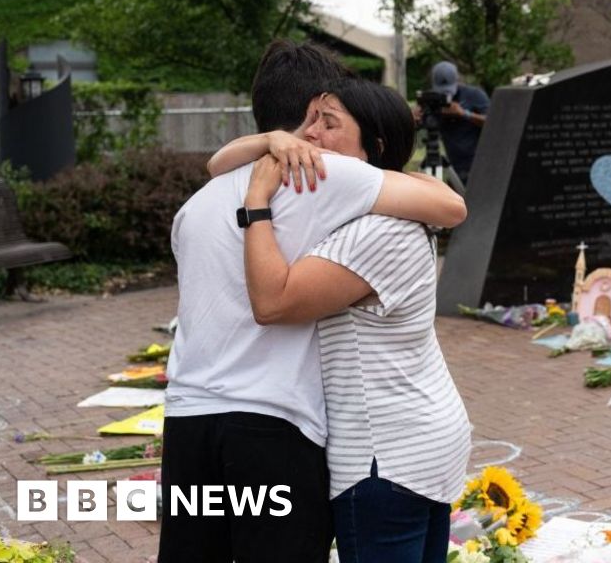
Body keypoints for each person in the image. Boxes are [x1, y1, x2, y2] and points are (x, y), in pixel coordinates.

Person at [160, 41, 465, 563]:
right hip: (273, 427)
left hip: (187, 422)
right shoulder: (323, 175)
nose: (321, 132)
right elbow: (451, 206)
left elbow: (216, 162)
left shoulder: (196, 204)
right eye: (322, 117)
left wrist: (263, 147)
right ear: (309, 113)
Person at [242, 79, 471, 563]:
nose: (310, 134)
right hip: (419, 437)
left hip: (385, 456)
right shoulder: (396, 209)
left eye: (329, 124)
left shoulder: (374, 232)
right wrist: (271, 140)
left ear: (375, 145)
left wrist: (256, 205)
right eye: (311, 121)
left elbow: (273, 303)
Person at [423, 61, 489, 185]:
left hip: (477, 165)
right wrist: (414, 117)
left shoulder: (475, 95)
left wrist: (464, 113)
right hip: (453, 165)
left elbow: (493, 123)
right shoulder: (432, 100)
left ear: (457, 80)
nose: (446, 96)